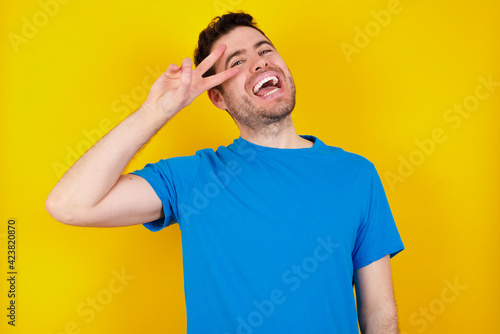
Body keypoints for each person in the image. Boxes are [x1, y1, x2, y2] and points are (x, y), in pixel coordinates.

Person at [46, 12, 404, 334]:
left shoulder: (356, 175)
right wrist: (155, 111)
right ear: (217, 97)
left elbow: (379, 311)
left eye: (265, 50)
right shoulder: (191, 180)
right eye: (237, 62)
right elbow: (69, 204)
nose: (260, 63)